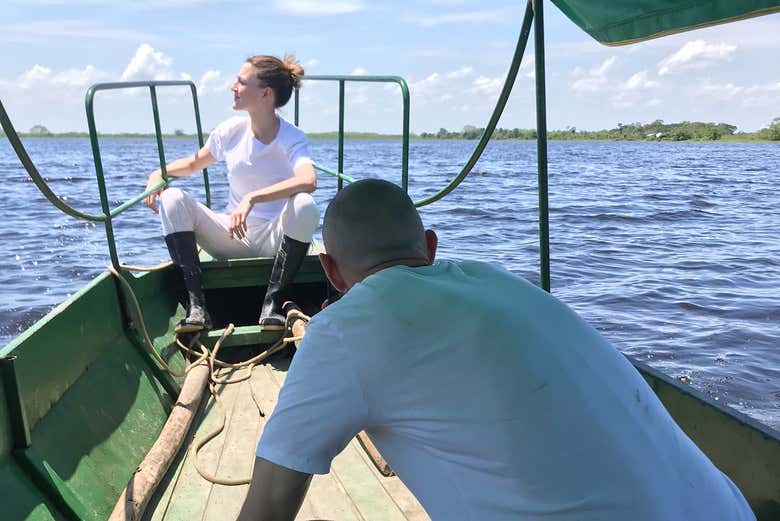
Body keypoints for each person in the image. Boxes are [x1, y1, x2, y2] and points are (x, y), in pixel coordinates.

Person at [238, 179, 755, 521]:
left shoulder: (342, 329)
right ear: (431, 248)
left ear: (330, 271)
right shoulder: (504, 283)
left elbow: (266, 511)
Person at [144, 54, 318, 333]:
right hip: (231, 235)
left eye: (240, 81)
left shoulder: (291, 136)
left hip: (275, 239)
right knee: (172, 198)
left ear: (265, 93)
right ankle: (196, 306)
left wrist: (253, 198)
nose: (232, 86)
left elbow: (308, 179)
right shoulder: (230, 131)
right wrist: (159, 173)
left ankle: (272, 305)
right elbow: (192, 164)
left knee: (305, 204)